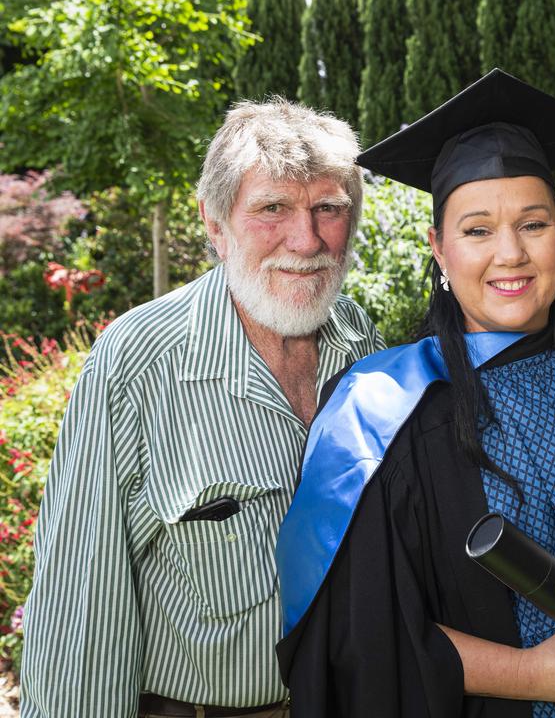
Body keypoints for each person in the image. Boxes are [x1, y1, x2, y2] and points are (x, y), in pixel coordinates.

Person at [275, 69, 555, 717]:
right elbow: (359, 631)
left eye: (533, 223)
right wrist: (534, 676)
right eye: (477, 230)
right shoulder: (381, 409)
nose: (510, 253)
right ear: (439, 250)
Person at [20, 99, 384, 718]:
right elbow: (81, 607)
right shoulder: (136, 362)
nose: (307, 239)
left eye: (329, 208)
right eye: (272, 208)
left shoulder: (356, 336)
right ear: (214, 224)